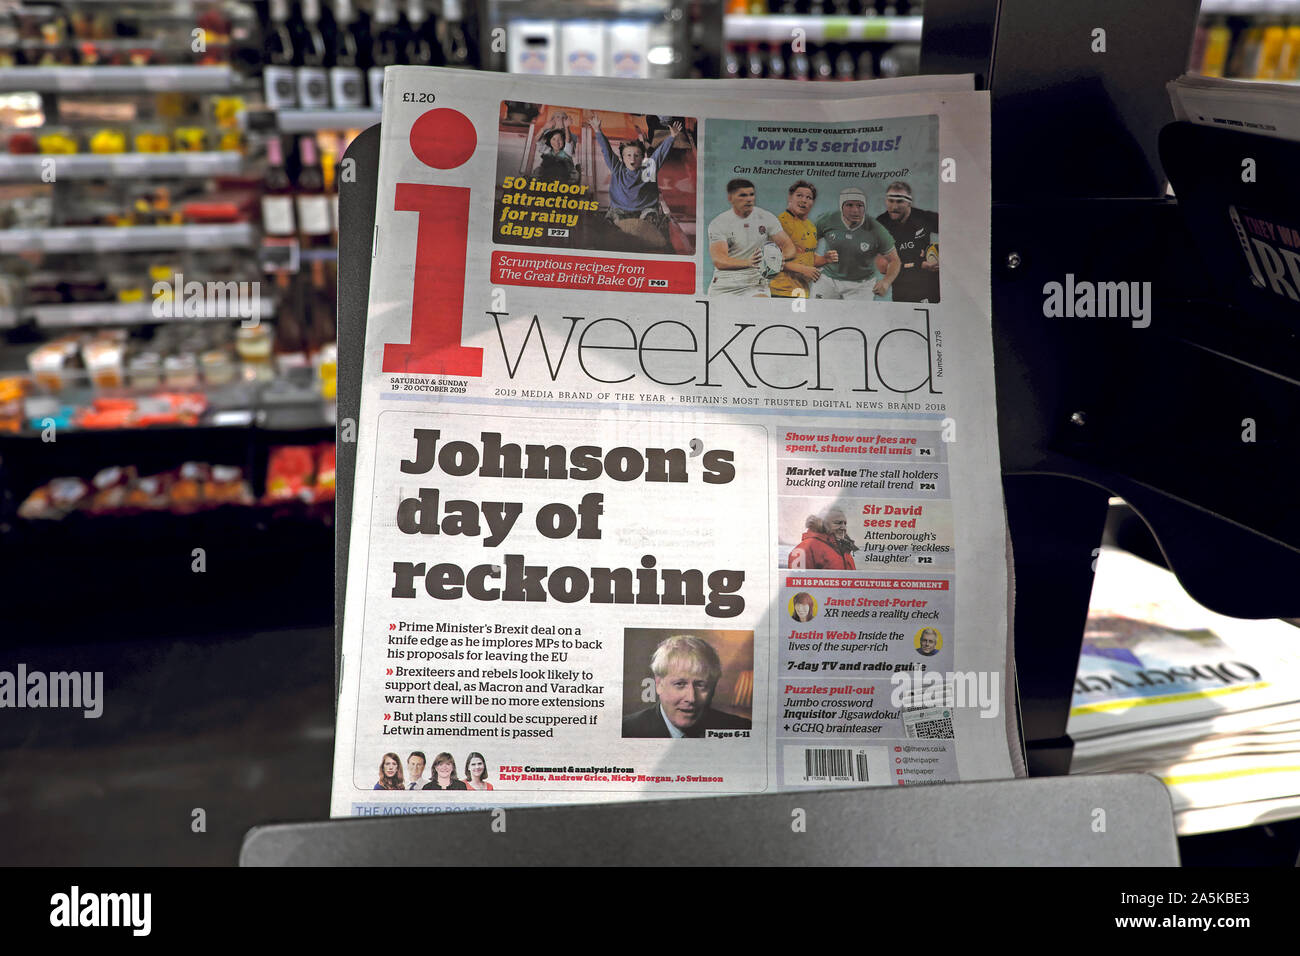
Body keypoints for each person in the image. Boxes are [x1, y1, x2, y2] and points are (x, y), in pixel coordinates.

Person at [622, 634, 751, 738]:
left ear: (713, 687)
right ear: (659, 684)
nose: (691, 698)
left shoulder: (742, 728)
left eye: (701, 685)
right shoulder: (626, 730)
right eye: (680, 684)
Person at [589, 112, 680, 247]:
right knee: (607, 233)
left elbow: (659, 155)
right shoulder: (617, 168)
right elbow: (607, 151)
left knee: (649, 230)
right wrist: (597, 131)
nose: (632, 159)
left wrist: (672, 137)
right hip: (620, 209)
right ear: (623, 158)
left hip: (645, 209)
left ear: (642, 158)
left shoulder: (647, 170)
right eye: (629, 155)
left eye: (636, 155)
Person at [707, 178, 798, 297]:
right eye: (743, 195)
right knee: (722, 316)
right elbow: (719, 260)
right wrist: (749, 262)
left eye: (751, 194)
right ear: (730, 198)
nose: (749, 199)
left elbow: (789, 247)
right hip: (726, 284)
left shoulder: (766, 217)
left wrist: (777, 259)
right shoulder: (719, 223)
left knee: (760, 310)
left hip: (755, 283)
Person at [810, 187, 900, 300]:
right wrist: (814, 263)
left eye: (859, 205)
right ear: (841, 206)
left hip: (861, 285)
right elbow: (807, 246)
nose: (855, 210)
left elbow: (895, 260)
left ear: (864, 207)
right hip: (828, 280)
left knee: (858, 318)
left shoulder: (876, 229)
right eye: (849, 205)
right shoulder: (827, 220)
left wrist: (886, 282)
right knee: (816, 315)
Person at [875, 180, 939, 303]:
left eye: (899, 201)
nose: (894, 207)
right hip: (903, 291)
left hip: (930, 286)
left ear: (909, 202)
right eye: (891, 201)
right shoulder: (881, 224)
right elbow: (882, 267)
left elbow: (955, 231)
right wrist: (918, 264)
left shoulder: (924, 217)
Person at [769, 180, 832, 299]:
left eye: (809, 197)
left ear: (813, 202)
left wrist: (825, 259)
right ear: (790, 197)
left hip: (802, 292)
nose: (804, 200)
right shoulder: (780, 223)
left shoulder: (811, 226)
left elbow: (806, 256)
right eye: (799, 195)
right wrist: (803, 269)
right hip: (780, 291)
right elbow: (771, 259)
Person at [787, 507, 857, 570]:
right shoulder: (805, 548)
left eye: (845, 523)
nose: (843, 528)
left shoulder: (844, 548)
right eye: (838, 523)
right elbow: (798, 581)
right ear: (823, 524)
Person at [533, 113, 580, 185]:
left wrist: (567, 127)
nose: (560, 119)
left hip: (563, 178)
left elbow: (568, 141)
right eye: (558, 117)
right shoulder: (548, 148)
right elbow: (537, 141)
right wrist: (544, 128)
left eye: (563, 118)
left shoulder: (567, 148)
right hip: (547, 178)